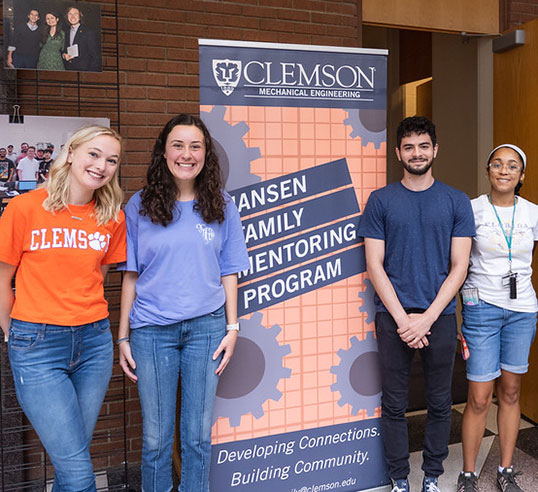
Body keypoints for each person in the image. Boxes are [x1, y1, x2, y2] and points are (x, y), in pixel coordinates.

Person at [118, 114, 249, 491]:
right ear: (164, 151)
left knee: (197, 437)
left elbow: (229, 272)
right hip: (151, 333)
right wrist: (123, 337)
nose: (186, 154)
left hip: (206, 330)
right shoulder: (140, 205)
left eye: (195, 146)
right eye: (178, 145)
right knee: (157, 440)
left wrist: (232, 327)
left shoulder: (222, 205)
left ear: (206, 154)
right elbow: (131, 274)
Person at [0, 125, 126, 491]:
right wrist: (13, 330)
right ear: (70, 153)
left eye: (112, 160)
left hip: (94, 343)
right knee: (78, 471)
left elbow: (96, 276)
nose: (102, 165)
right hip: (37, 345)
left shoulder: (111, 217)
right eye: (94, 154)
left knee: (72, 458)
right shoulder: (24, 208)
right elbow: (2, 276)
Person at [358, 116, 475, 492]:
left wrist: (426, 319)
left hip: (438, 316)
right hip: (392, 316)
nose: (417, 153)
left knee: (441, 402)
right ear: (398, 153)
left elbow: (459, 267)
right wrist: (404, 320)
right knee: (393, 403)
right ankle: (398, 479)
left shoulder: (456, 200)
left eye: (424, 146)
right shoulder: (381, 201)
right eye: (409, 147)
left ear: (435, 150)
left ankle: (432, 476)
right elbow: (374, 266)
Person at [457, 145, 538, 492]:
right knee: (478, 396)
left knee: (510, 390)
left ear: (522, 176)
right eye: (497, 165)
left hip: (522, 313)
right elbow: (457, 260)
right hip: (482, 310)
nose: (504, 171)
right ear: (488, 170)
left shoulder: (533, 213)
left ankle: (506, 470)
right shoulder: (470, 209)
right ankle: (469, 474)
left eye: (512, 166)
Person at [62, 6, 100, 72]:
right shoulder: (66, 32)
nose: (72, 16)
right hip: (69, 69)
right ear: (67, 16)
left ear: (80, 16)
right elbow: (63, 49)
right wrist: (64, 55)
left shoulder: (88, 32)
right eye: (70, 14)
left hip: (84, 70)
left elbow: (95, 56)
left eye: (75, 14)